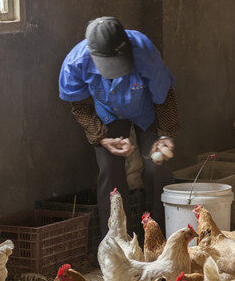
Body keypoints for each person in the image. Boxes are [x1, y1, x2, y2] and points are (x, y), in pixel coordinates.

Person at [59, 16, 179, 240]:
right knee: (109, 171)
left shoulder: (144, 51)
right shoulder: (75, 64)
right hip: (108, 112)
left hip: (145, 107)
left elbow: (164, 94)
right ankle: (115, 241)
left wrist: (165, 134)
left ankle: (161, 237)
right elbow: (80, 107)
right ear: (92, 54)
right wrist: (102, 138)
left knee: (156, 166)